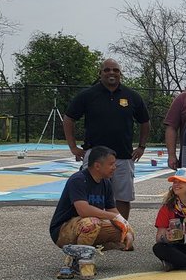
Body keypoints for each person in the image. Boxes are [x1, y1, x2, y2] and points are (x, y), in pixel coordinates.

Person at [62, 58, 150, 219]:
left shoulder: (132, 96)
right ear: (100, 73)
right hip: (94, 156)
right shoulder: (87, 95)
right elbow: (68, 119)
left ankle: (120, 230)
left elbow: (145, 121)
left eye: (115, 70)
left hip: (123, 156)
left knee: (122, 198)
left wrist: (141, 146)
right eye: (107, 70)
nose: (111, 73)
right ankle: (90, 230)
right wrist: (73, 147)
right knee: (89, 196)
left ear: (120, 73)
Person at [48, 146, 133, 277]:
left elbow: (113, 211)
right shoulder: (78, 179)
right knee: (92, 223)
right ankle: (77, 260)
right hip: (63, 230)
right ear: (97, 166)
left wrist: (126, 228)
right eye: (111, 164)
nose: (114, 167)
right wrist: (112, 216)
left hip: (87, 225)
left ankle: (85, 252)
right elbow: (83, 210)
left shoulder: (106, 183)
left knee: (125, 232)